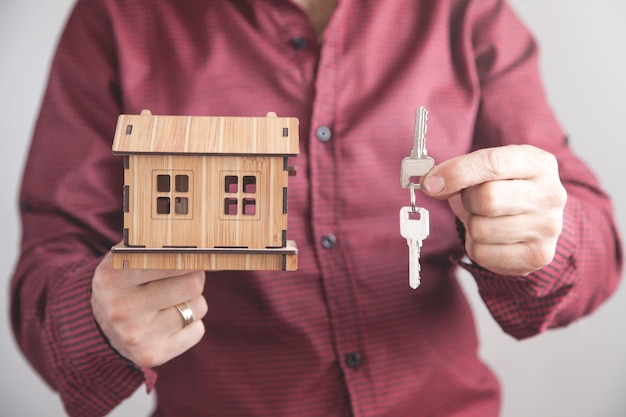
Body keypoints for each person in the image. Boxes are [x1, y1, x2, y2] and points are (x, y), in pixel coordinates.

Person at [10, 0, 623, 416]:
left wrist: (547, 231)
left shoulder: (466, 12)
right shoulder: (116, 17)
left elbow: (595, 245)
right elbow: (49, 256)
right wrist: (100, 318)